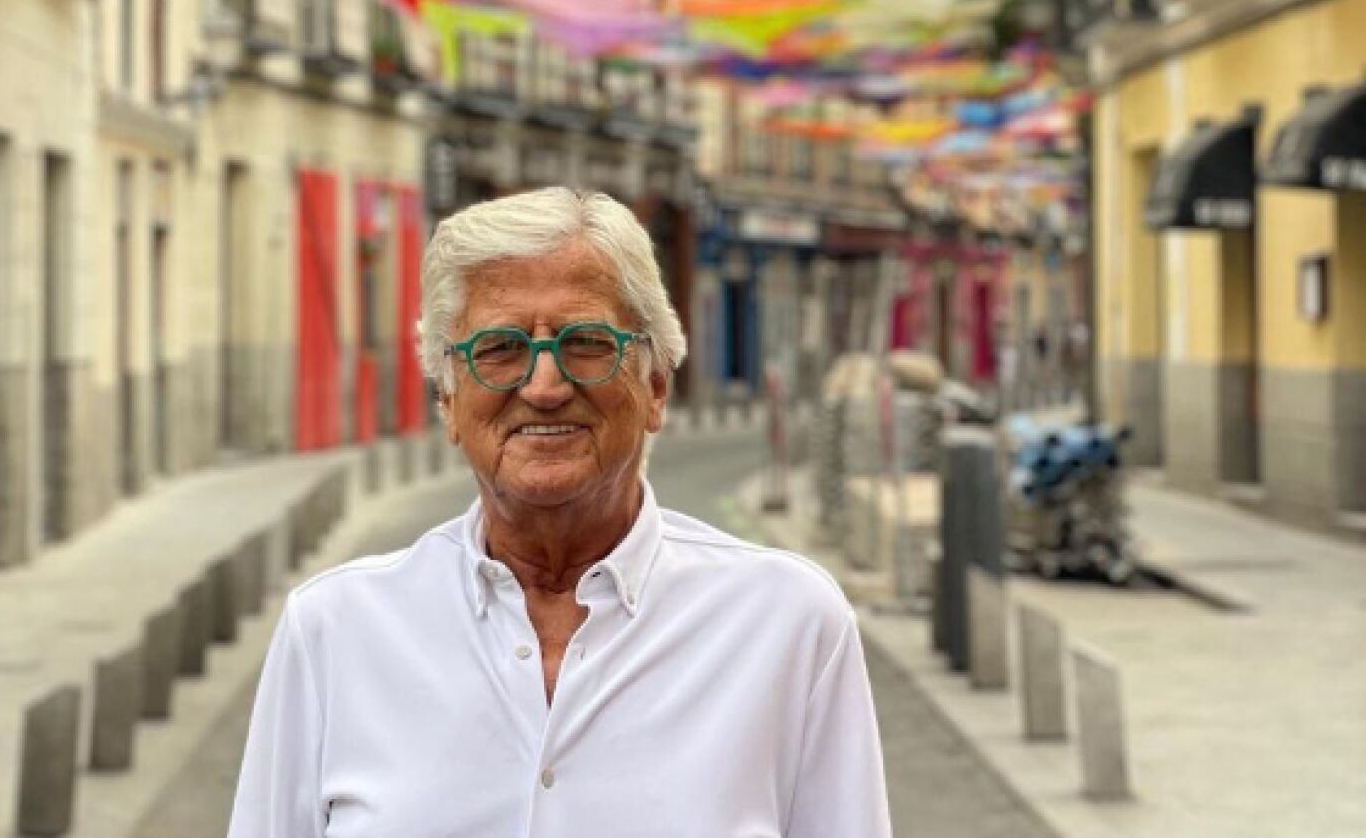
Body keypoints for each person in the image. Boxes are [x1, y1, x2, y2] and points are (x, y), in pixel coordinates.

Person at [227, 188, 891, 837]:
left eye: (586, 343)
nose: (544, 386)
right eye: (499, 350)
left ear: (657, 386)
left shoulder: (788, 623)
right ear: (448, 401)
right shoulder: (335, 630)